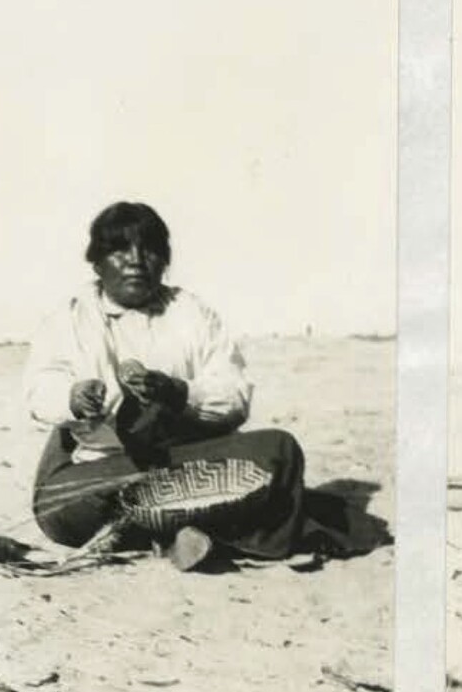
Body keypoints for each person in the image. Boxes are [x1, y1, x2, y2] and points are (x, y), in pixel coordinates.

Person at [25, 201, 306, 570]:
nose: (136, 259)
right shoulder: (69, 320)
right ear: (96, 262)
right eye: (120, 249)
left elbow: (234, 395)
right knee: (62, 503)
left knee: (279, 450)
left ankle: (168, 531)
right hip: (99, 471)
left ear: (165, 260)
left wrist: (177, 392)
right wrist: (73, 398)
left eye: (150, 249)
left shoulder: (193, 314)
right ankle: (190, 527)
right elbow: (38, 392)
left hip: (185, 461)